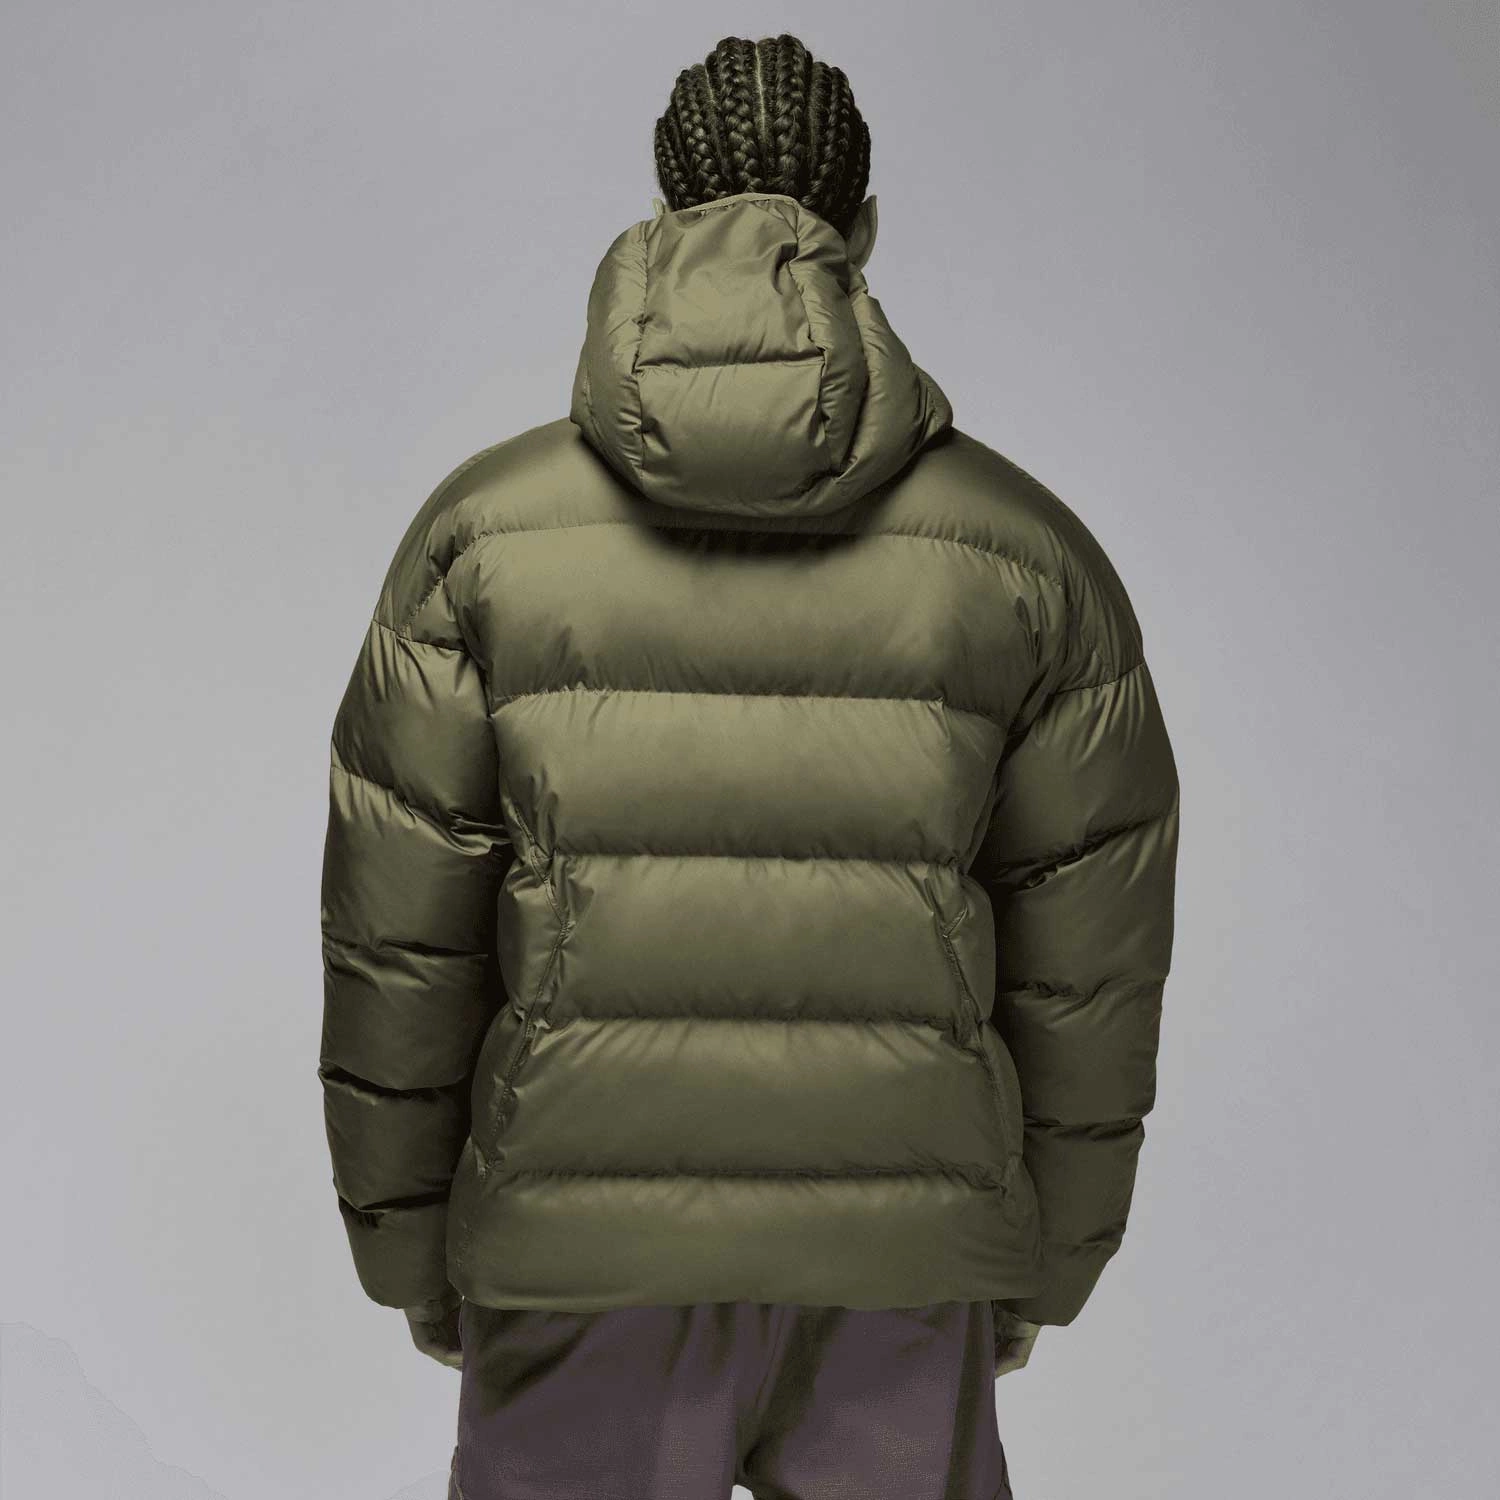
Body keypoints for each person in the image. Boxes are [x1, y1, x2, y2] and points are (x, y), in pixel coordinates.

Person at [318, 31, 1180, 1500]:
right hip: (904, 1259)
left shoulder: (483, 538)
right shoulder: (1025, 556)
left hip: (578, 1247)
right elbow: (1090, 965)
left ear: (664, 209)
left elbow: (400, 941)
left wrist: (411, 1248)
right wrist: (1045, 1259)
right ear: (864, 228)